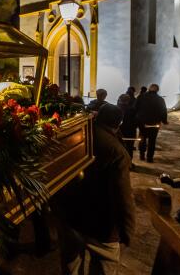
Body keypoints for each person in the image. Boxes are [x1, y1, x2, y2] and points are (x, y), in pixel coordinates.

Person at [52, 103, 135, 275]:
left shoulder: (79, 133)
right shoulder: (117, 151)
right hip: (101, 224)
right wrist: (127, 229)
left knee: (71, 265)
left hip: (70, 216)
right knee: (104, 265)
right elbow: (122, 193)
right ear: (118, 123)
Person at [135, 84, 167, 163]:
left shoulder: (141, 97)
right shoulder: (160, 99)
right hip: (154, 123)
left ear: (149, 89)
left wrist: (136, 119)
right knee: (152, 140)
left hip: (142, 122)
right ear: (157, 90)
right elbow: (163, 111)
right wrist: (164, 120)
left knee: (142, 138)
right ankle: (149, 158)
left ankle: (142, 155)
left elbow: (135, 108)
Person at [117, 94, 136, 163]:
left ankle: (120, 163)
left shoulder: (116, 109)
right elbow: (136, 121)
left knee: (119, 148)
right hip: (130, 132)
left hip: (118, 132)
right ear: (128, 101)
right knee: (129, 148)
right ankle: (129, 163)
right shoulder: (132, 110)